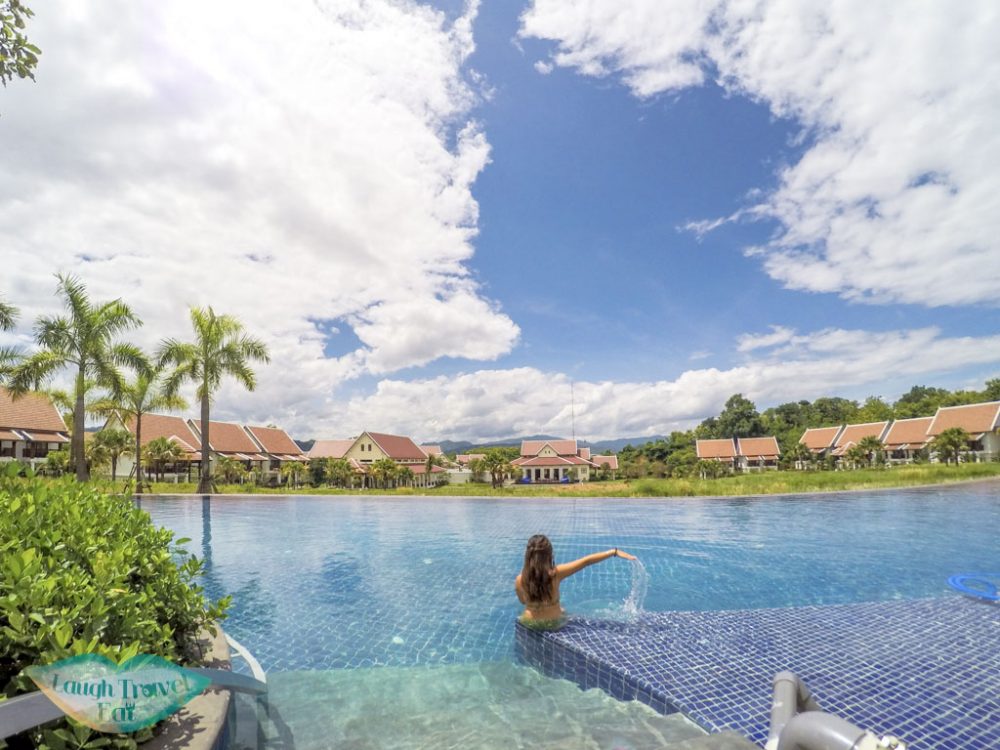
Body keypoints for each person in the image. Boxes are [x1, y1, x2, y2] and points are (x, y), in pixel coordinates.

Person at [515, 534, 637, 627]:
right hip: (554, 624)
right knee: (563, 610)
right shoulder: (555, 574)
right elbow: (586, 561)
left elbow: (523, 601)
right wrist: (613, 552)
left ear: (528, 556)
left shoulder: (520, 579)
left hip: (529, 623)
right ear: (549, 555)